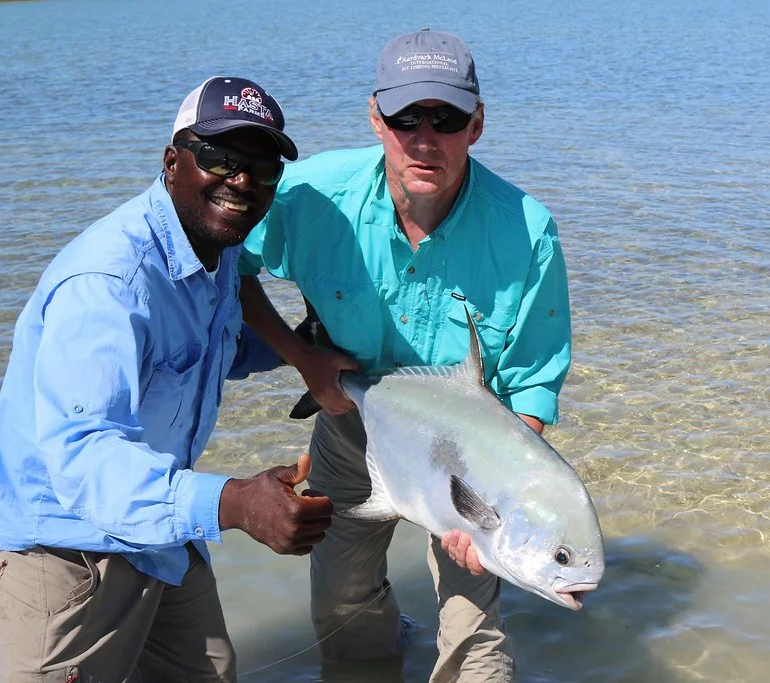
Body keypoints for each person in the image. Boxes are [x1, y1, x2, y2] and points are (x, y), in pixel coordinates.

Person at [0, 76, 334, 682]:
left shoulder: (216, 242)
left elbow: (213, 350)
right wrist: (234, 503)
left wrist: (304, 347)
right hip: (61, 546)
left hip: (156, 527)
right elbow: (85, 457)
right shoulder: (108, 285)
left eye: (263, 171)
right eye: (220, 158)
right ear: (171, 160)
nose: (242, 183)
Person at [238, 29, 571, 682]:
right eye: (405, 116)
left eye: (445, 117)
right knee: (342, 605)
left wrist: (489, 504)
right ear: (374, 116)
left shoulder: (528, 233)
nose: (425, 138)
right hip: (348, 421)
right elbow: (228, 265)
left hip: (472, 448)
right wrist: (300, 358)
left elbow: (531, 385)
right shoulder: (309, 197)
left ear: (476, 125)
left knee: (476, 632)